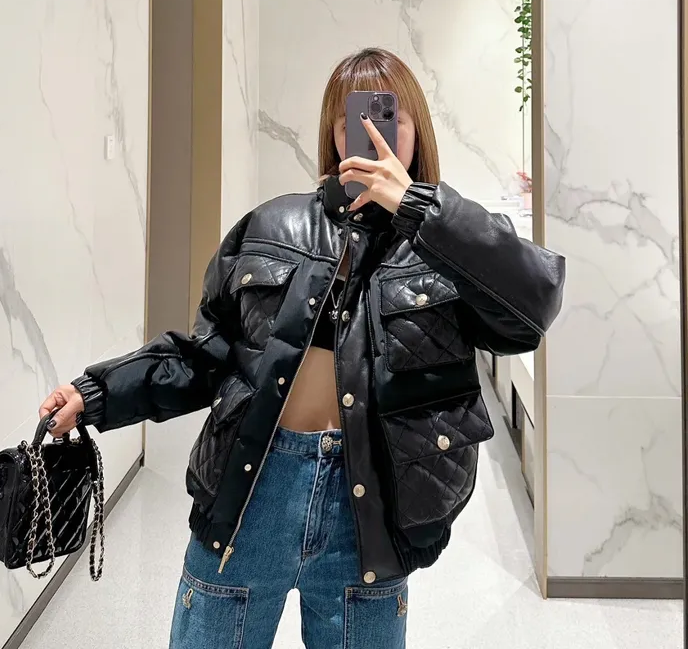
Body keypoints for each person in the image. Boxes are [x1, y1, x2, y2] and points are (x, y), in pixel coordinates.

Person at [39, 47, 565, 649]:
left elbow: (534, 304)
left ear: (418, 128)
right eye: (351, 120)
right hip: (250, 495)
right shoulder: (270, 227)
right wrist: (97, 393)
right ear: (332, 135)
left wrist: (418, 209)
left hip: (369, 515)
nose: (370, 134)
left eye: (388, 117)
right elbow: (204, 357)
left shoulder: (447, 246)